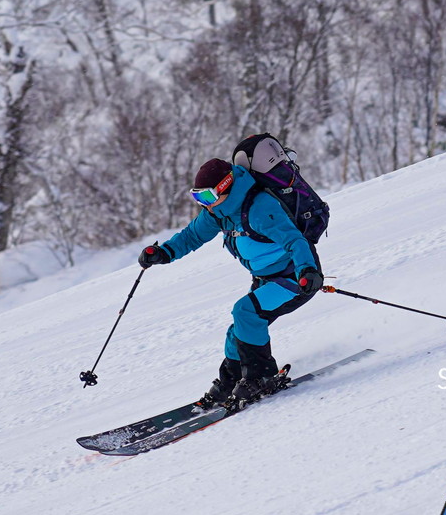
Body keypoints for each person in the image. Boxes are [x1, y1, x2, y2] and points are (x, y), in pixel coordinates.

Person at [137, 157, 323, 406]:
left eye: (207, 197)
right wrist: (164, 253)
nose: (206, 205)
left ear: (225, 187)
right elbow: (192, 235)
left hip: (294, 278)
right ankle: (231, 382)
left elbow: (295, 241)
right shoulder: (219, 212)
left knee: (245, 312)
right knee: (239, 329)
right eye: (198, 198)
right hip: (265, 279)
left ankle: (261, 378)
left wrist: (307, 271)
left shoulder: (259, 209)